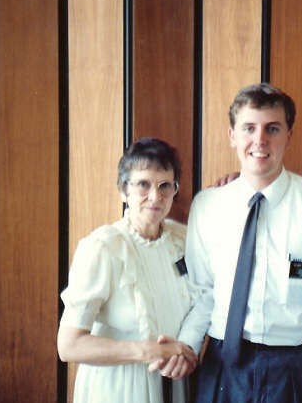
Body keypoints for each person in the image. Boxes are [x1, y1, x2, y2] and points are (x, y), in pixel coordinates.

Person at [157, 83, 302, 403]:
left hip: (293, 369)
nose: (260, 140)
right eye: (249, 128)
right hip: (222, 367)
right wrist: (187, 348)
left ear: (289, 136)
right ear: (232, 136)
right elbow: (203, 294)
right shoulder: (207, 205)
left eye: (273, 128)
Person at [57, 137, 198, 403]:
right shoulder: (103, 248)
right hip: (118, 388)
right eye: (143, 184)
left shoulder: (184, 240)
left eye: (165, 185)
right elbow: (69, 346)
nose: (155, 197)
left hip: (176, 384)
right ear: (124, 190)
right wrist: (148, 352)